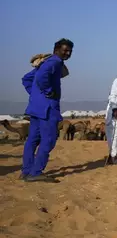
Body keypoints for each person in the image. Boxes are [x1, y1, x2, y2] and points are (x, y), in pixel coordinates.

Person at [20, 39, 74, 182]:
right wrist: (47, 92)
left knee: (32, 140)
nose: (68, 53)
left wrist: (36, 95)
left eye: (70, 51)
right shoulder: (54, 62)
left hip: (36, 108)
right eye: (65, 50)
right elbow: (42, 78)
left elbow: (26, 79)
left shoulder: (44, 63)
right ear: (57, 49)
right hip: (47, 109)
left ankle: (26, 171)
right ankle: (36, 172)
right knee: (48, 140)